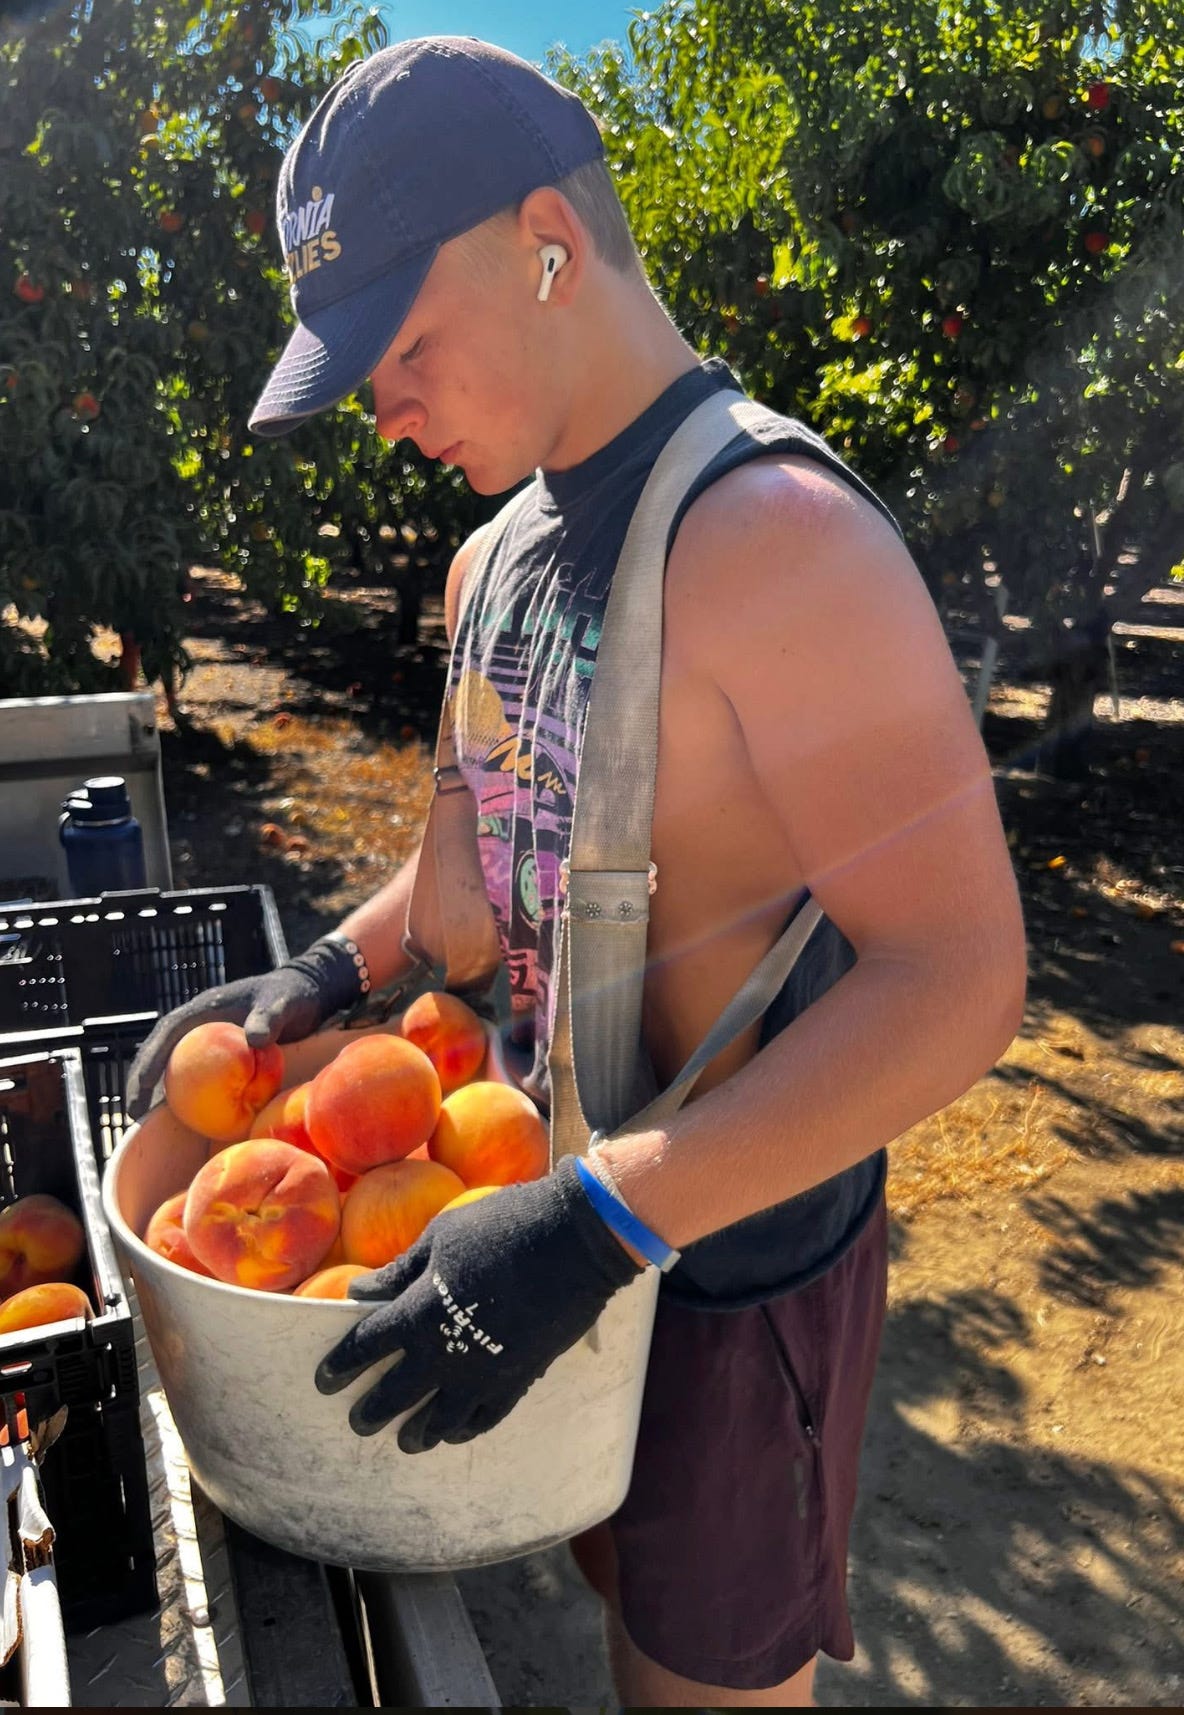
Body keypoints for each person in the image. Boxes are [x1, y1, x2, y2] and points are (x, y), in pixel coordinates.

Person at [126, 37, 1027, 1707]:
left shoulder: (779, 543)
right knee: (610, 1603)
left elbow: (958, 981)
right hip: (551, 1233)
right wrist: (319, 978)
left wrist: (607, 1219)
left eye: (403, 348)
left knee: (693, 1681)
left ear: (547, 240)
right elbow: (470, 886)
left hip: (724, 1267)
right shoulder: (491, 562)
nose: (386, 413)